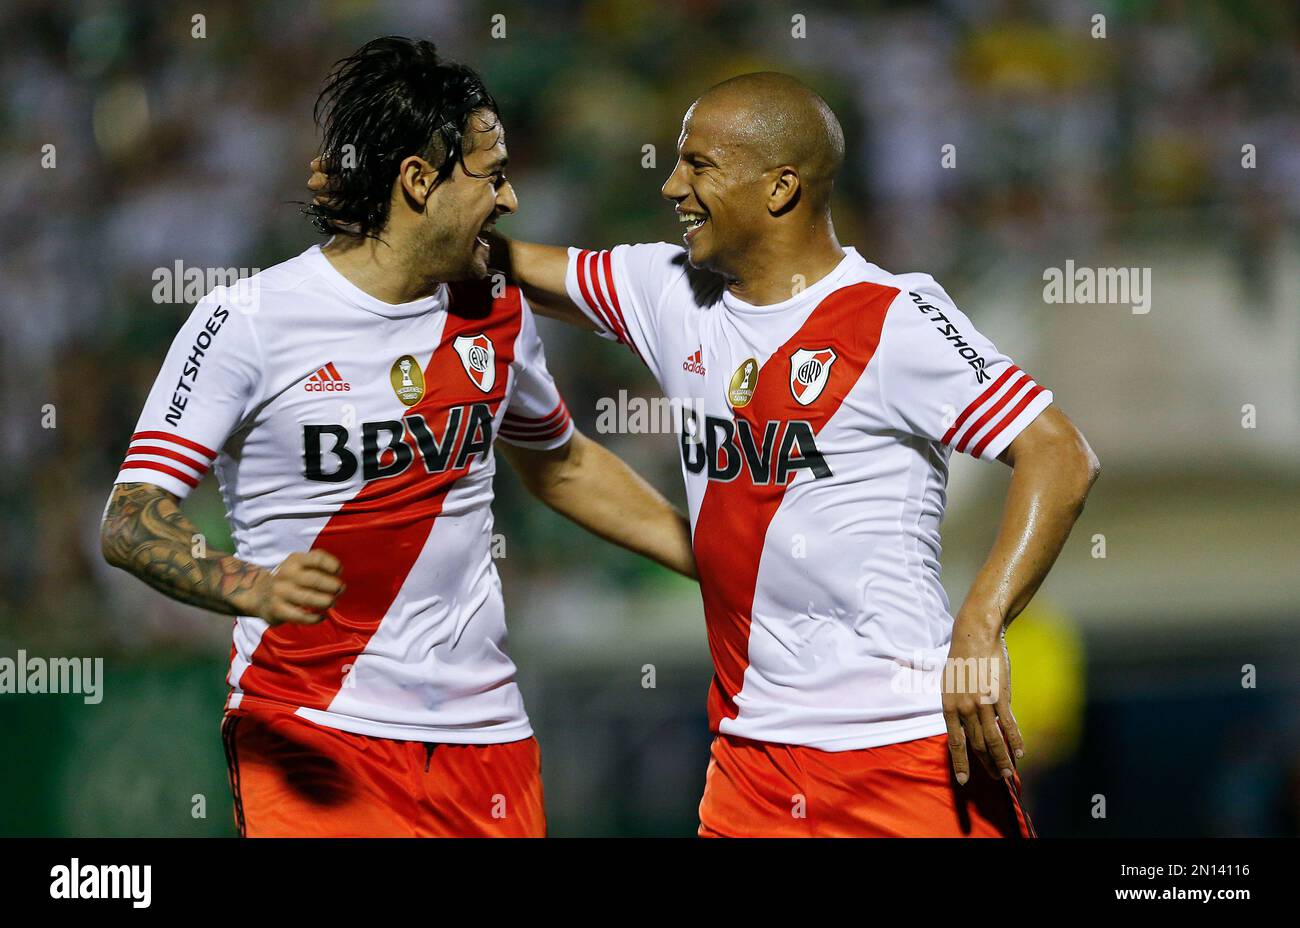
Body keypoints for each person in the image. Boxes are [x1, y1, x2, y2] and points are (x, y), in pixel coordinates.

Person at [430, 71, 1100, 836]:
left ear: (780, 187)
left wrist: (981, 621)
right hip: (752, 768)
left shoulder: (894, 318)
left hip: (904, 752)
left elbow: (1061, 455)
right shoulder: (667, 290)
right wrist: (396, 204)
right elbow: (497, 262)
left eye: (699, 165)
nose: (672, 185)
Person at [100, 36, 695, 838]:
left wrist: (715, 558)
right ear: (419, 179)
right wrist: (248, 585)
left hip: (487, 743)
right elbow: (131, 518)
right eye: (491, 175)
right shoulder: (248, 322)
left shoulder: (497, 310)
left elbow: (561, 464)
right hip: (312, 727)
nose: (511, 198)